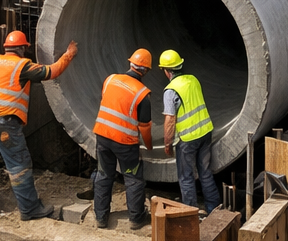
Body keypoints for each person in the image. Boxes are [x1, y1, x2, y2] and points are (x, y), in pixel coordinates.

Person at [0, 30, 78, 220]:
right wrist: (68, 55)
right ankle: (30, 210)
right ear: (21, 48)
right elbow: (49, 72)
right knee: (19, 165)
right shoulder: (22, 66)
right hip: (3, 122)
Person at [93, 48, 153, 229]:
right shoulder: (142, 93)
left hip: (102, 137)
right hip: (125, 143)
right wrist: (149, 147)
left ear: (130, 64)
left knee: (104, 174)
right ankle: (136, 218)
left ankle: (101, 217)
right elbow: (145, 126)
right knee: (133, 177)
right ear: (146, 71)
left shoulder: (110, 79)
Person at [159, 49, 220, 215]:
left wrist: (167, 143)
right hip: (206, 132)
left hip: (187, 139)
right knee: (205, 173)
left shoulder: (171, 90)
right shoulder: (193, 80)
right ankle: (214, 210)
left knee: (186, 177)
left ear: (166, 71)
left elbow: (170, 120)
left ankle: (191, 214)